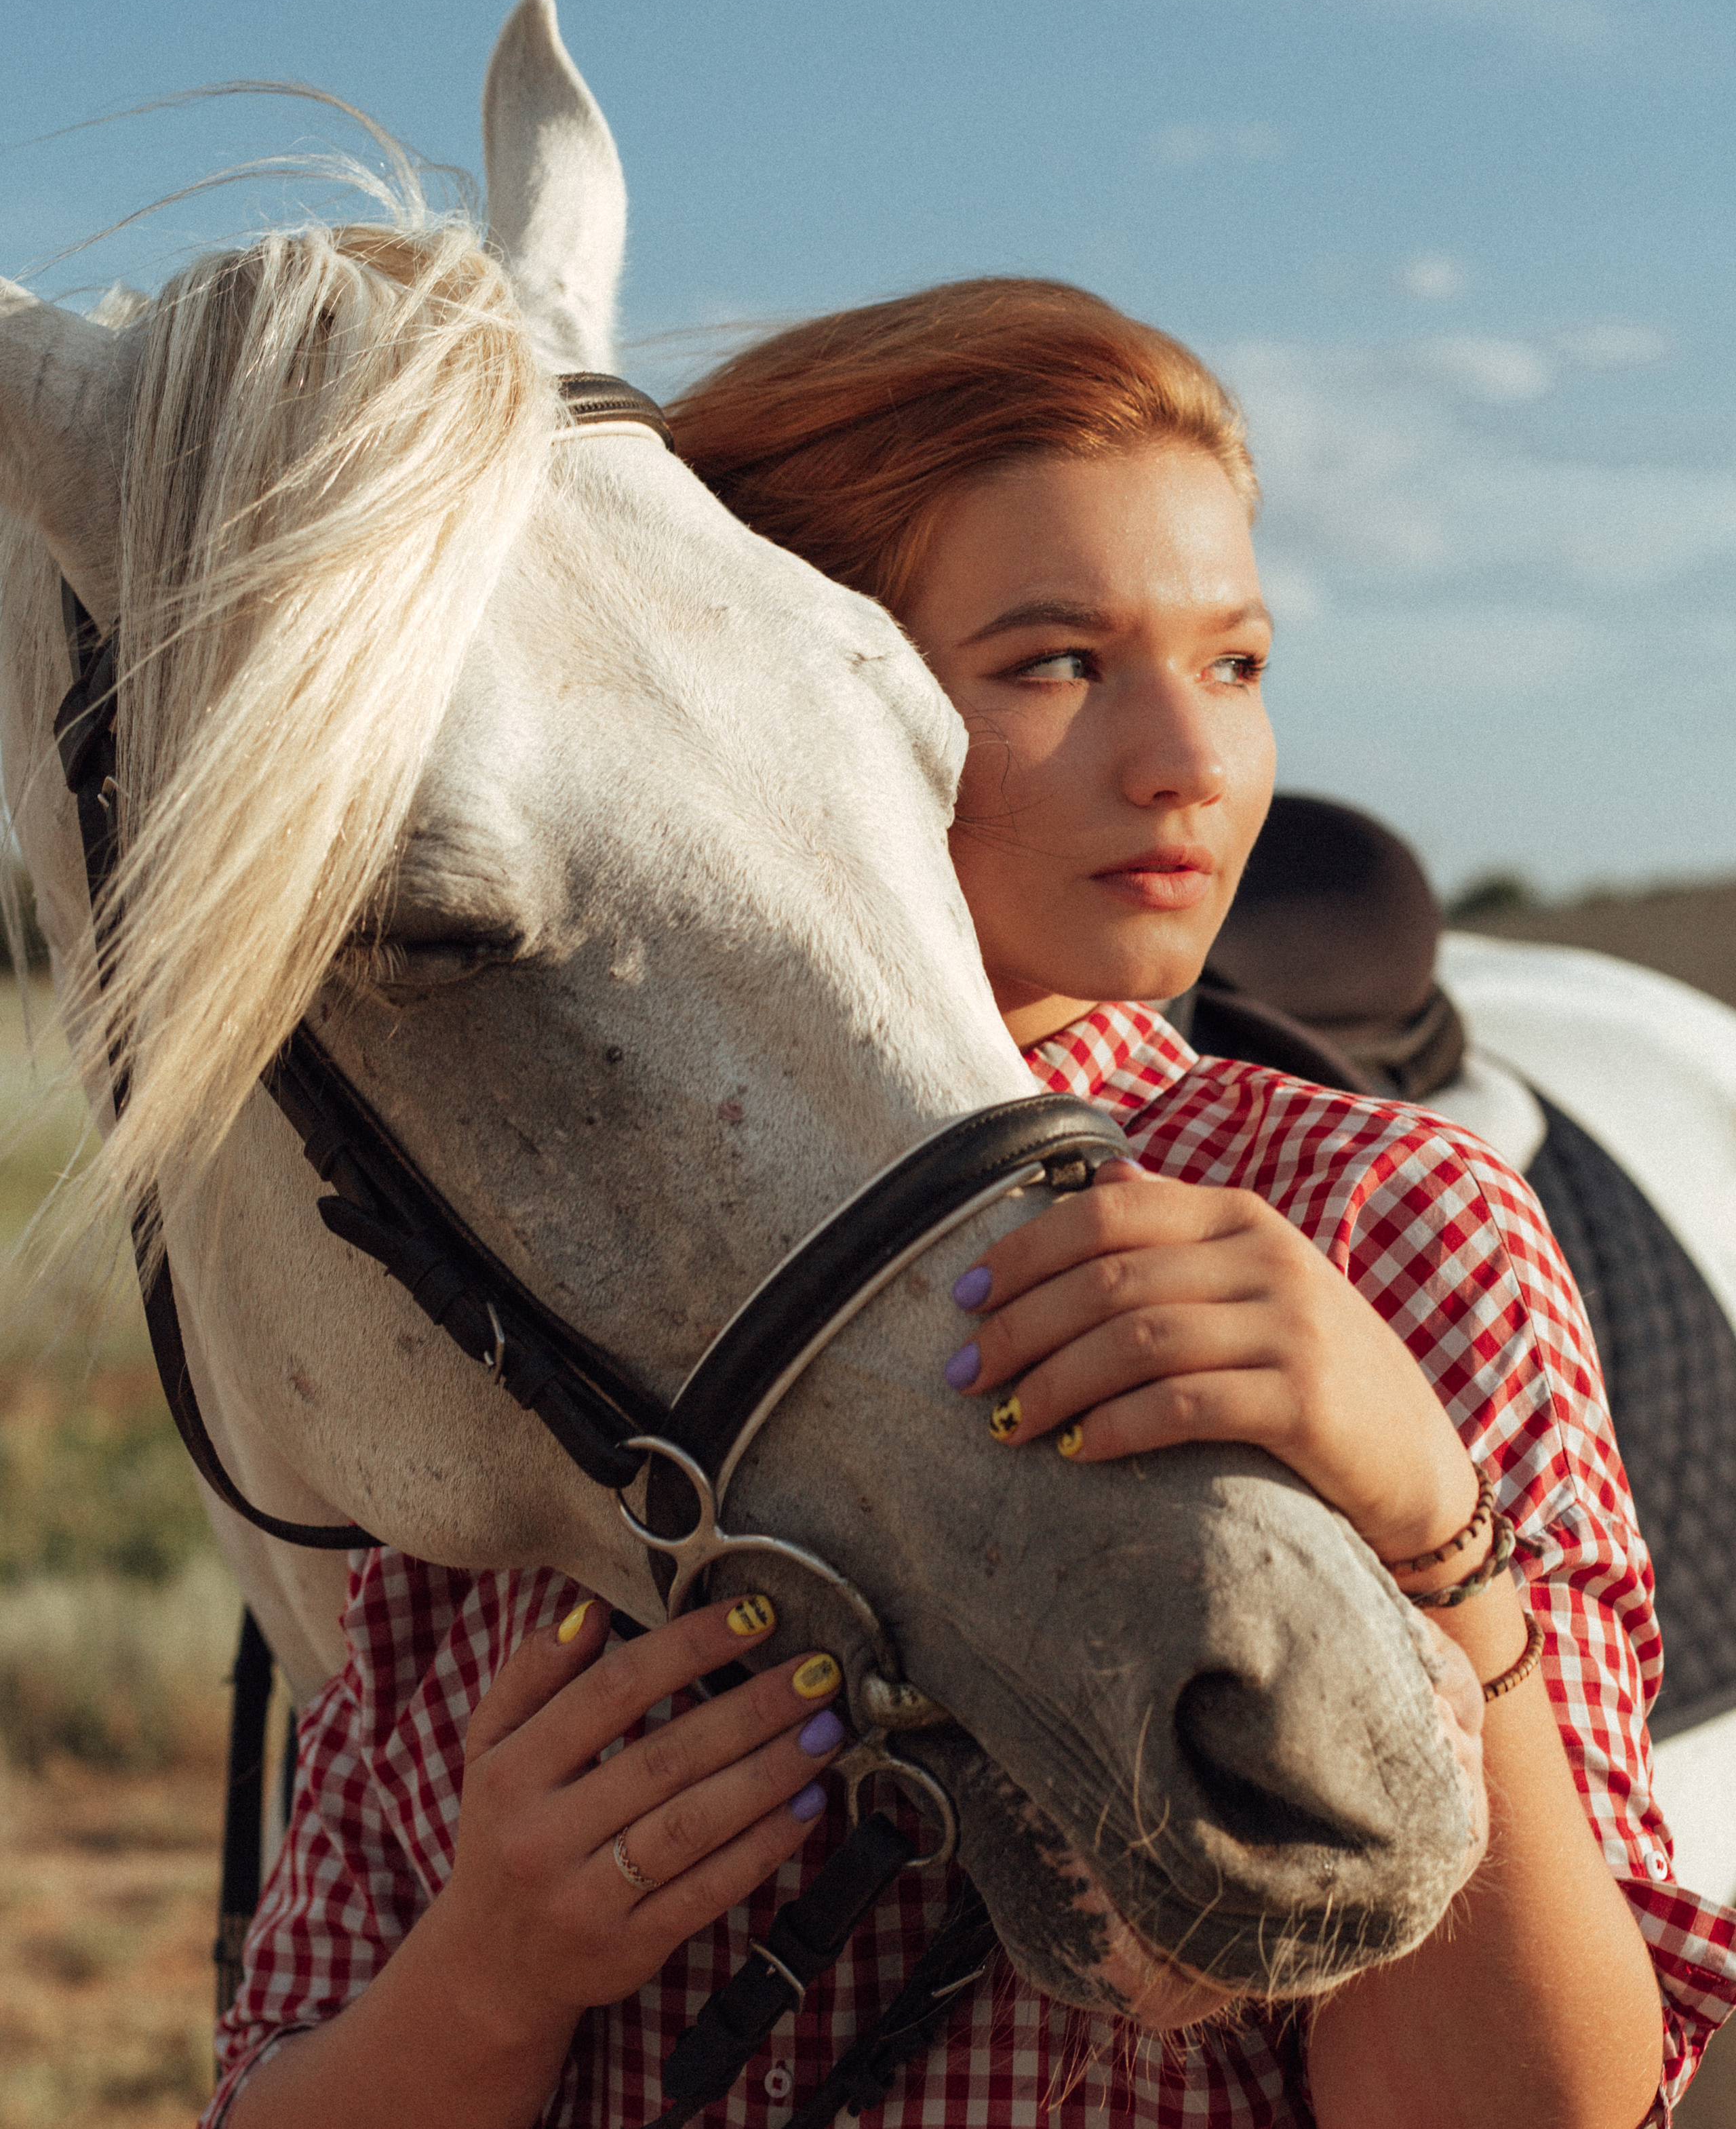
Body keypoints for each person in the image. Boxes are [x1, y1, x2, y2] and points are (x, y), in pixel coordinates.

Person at [210, 278, 1736, 2128]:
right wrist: (493, 1970)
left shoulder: (1394, 1229)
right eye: (1056, 663)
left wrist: (1436, 1537)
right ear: (787, 701)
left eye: (1239, 662)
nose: (1191, 754)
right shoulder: (525, 1283)